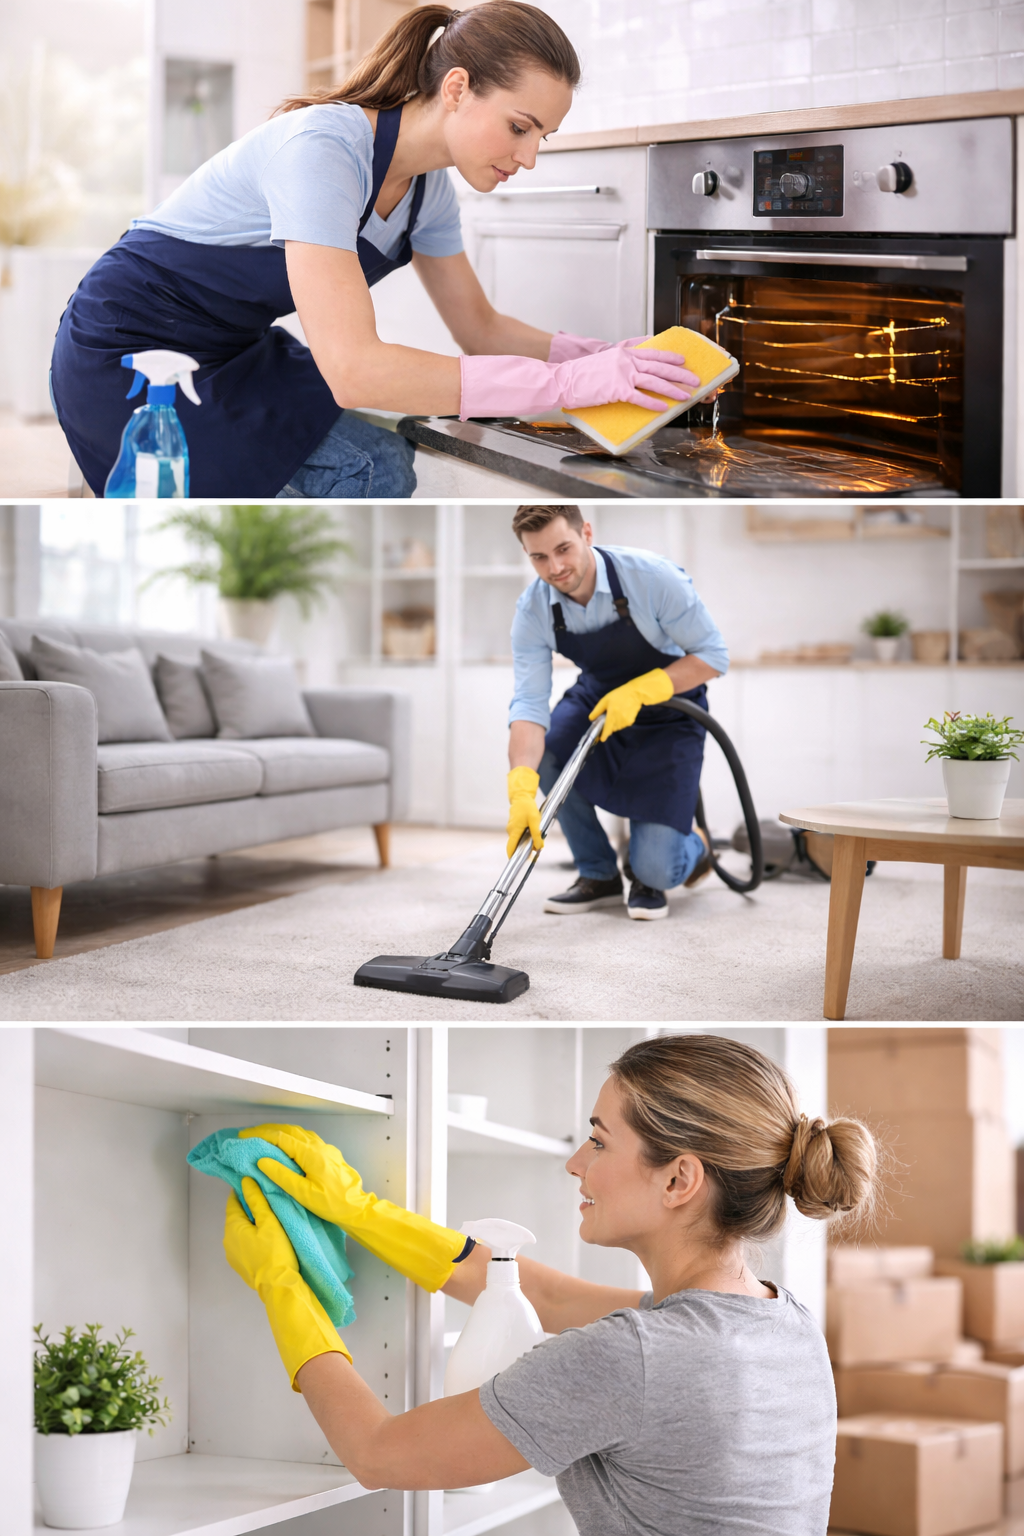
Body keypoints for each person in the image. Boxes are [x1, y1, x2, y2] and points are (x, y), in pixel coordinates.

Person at [222, 1033, 878, 1536]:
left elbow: (378, 1455)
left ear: (678, 1180)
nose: (575, 1164)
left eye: (599, 1142)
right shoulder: (780, 1324)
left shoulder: (636, 1356)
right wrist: (361, 1212)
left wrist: (282, 1286)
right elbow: (554, 1299)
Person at [50, 2, 700, 499]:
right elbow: (355, 369)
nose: (529, 157)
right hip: (131, 353)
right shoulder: (323, 150)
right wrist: (564, 386)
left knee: (381, 459)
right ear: (456, 88)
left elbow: (481, 328)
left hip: (235, 352)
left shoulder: (428, 194)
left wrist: (611, 357)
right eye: (519, 127)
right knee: (369, 467)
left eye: (542, 138)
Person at [504, 503, 728, 920]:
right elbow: (529, 706)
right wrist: (520, 787)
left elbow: (713, 656)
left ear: (587, 532)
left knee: (657, 869)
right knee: (550, 751)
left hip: (670, 707)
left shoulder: (651, 578)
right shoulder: (533, 609)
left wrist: (644, 690)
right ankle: (598, 873)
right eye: (538, 556)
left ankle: (694, 845)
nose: (555, 568)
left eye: (563, 549)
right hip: (599, 699)